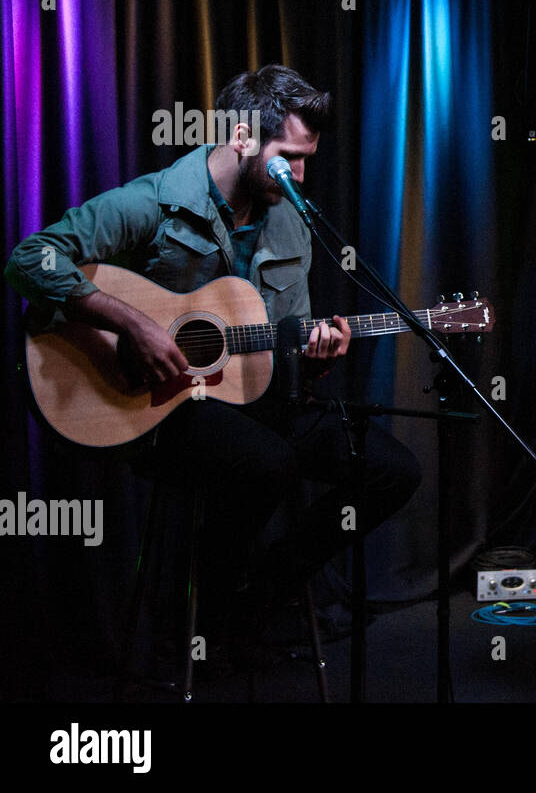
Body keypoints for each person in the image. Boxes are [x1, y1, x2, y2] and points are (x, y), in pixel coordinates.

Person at [6, 65, 421, 660]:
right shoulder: (155, 201)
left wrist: (317, 358)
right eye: (288, 157)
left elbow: (284, 349)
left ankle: (260, 594)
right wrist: (131, 323)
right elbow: (31, 258)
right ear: (243, 138)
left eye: (307, 159)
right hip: (154, 406)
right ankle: (208, 602)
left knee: (390, 469)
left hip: (250, 400)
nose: (299, 175)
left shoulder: (292, 222)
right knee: (266, 462)